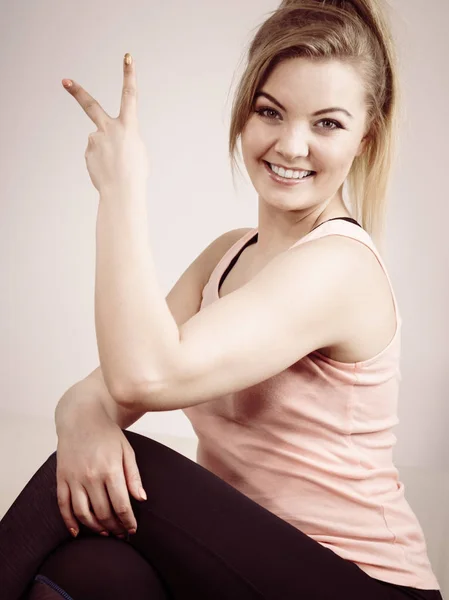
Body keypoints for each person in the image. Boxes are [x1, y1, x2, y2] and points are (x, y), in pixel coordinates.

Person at [0, 0, 444, 598]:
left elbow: (142, 380)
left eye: (327, 123)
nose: (291, 145)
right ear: (243, 115)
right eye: (270, 111)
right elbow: (104, 391)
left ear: (366, 137)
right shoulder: (227, 255)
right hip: (243, 572)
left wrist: (121, 189)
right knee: (89, 571)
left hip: (361, 582)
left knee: (111, 469)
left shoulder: (341, 266)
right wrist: (77, 413)